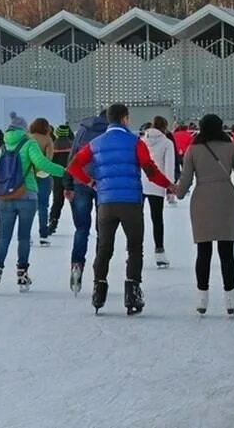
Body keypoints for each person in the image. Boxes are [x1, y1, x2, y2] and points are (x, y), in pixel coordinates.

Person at [65, 105, 172, 315]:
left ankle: (98, 290)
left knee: (105, 247)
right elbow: (150, 171)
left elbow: (73, 166)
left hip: (106, 202)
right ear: (125, 119)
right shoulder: (135, 142)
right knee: (134, 248)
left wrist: (91, 183)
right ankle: (132, 292)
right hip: (131, 202)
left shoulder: (95, 144)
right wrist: (170, 185)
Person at [175, 114, 234, 316]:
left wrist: (177, 192)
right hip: (226, 198)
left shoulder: (193, 149)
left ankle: (202, 298)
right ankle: (230, 298)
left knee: (203, 251)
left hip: (201, 200)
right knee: (227, 251)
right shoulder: (230, 146)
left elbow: (184, 182)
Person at [0, 113, 66, 295]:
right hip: (27, 194)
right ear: (23, 129)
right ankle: (22, 273)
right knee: (23, 237)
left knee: (3, 237)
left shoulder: (4, 145)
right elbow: (42, 164)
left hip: (5, 196)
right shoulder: (29, 144)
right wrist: (64, 171)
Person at [62, 109, 109, 295]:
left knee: (82, 228)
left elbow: (72, 156)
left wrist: (68, 184)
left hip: (80, 181)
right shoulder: (111, 132)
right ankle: (99, 272)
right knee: (102, 229)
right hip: (103, 184)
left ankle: (77, 264)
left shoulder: (82, 130)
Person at [142, 116, 176, 267]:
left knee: (137, 219)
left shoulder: (142, 141)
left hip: (140, 183)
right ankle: (159, 252)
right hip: (157, 183)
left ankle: (135, 251)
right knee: (157, 219)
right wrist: (170, 187)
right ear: (164, 127)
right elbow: (169, 165)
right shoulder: (167, 143)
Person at [29, 118, 55, 247]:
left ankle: (26, 235)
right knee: (43, 206)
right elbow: (48, 159)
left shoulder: (28, 138)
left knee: (28, 207)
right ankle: (43, 235)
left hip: (28, 176)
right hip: (43, 175)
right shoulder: (47, 139)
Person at [48, 125, 74, 234]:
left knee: (57, 200)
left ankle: (53, 221)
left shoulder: (53, 145)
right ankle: (80, 222)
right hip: (71, 175)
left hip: (57, 177)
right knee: (74, 201)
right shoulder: (72, 145)